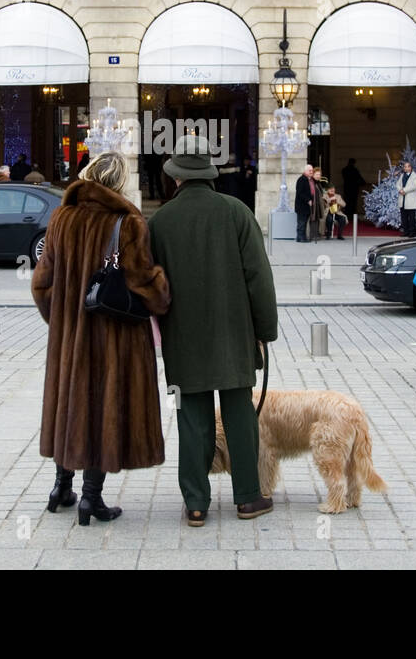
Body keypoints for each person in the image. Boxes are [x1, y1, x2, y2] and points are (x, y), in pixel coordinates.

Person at [31, 151, 171, 526]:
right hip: (115, 337)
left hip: (70, 337)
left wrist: (62, 321)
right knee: (104, 409)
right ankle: (92, 499)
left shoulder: (61, 217)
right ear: (119, 182)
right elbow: (143, 283)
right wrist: (161, 291)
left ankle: (61, 487)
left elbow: (42, 283)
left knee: (71, 404)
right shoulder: (128, 222)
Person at [150, 136, 277, 527]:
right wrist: (265, 329)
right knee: (240, 412)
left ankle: (196, 503)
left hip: (183, 336)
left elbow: (154, 286)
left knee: (191, 416)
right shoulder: (237, 213)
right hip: (233, 334)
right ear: (209, 174)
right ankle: (248, 498)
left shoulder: (159, 222)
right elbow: (258, 277)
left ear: (175, 178)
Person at [294, 164, 317, 243]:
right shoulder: (302, 179)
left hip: (307, 206)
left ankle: (300, 237)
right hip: (302, 206)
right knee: (301, 222)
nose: (311, 172)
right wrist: (308, 200)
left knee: (304, 222)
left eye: (312, 170)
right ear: (305, 171)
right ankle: (301, 238)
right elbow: (300, 193)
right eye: (309, 170)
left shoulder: (310, 179)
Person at [398, 161, 416, 237]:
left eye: (407, 166)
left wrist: (404, 190)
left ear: (410, 168)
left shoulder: (415, 176)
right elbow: (397, 184)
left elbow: (414, 186)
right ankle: (406, 232)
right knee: (404, 217)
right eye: (404, 167)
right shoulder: (402, 175)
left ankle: (412, 233)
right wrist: (400, 190)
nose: (406, 168)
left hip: (410, 200)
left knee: (411, 218)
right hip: (402, 199)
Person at [309, 165, 328, 241]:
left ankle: (316, 234)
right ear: (313, 174)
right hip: (313, 204)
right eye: (317, 174)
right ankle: (312, 235)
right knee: (313, 219)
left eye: (319, 174)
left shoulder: (318, 183)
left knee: (317, 219)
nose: (318, 176)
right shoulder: (312, 183)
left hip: (318, 204)